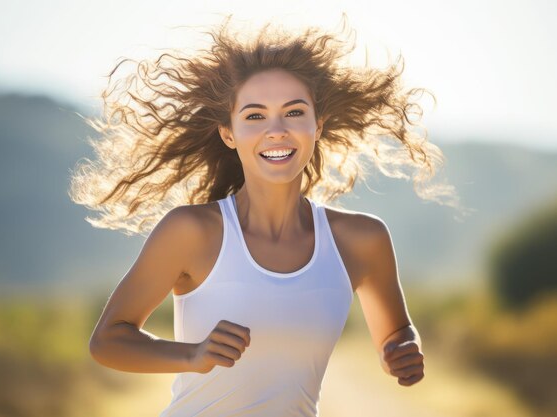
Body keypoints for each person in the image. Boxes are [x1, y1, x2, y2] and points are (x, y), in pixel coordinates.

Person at [69, 14, 464, 416]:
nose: (276, 130)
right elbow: (107, 341)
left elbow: (395, 335)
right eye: (255, 116)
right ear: (229, 132)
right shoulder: (191, 232)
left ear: (318, 124)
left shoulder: (362, 240)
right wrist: (193, 354)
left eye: (294, 112)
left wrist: (402, 352)